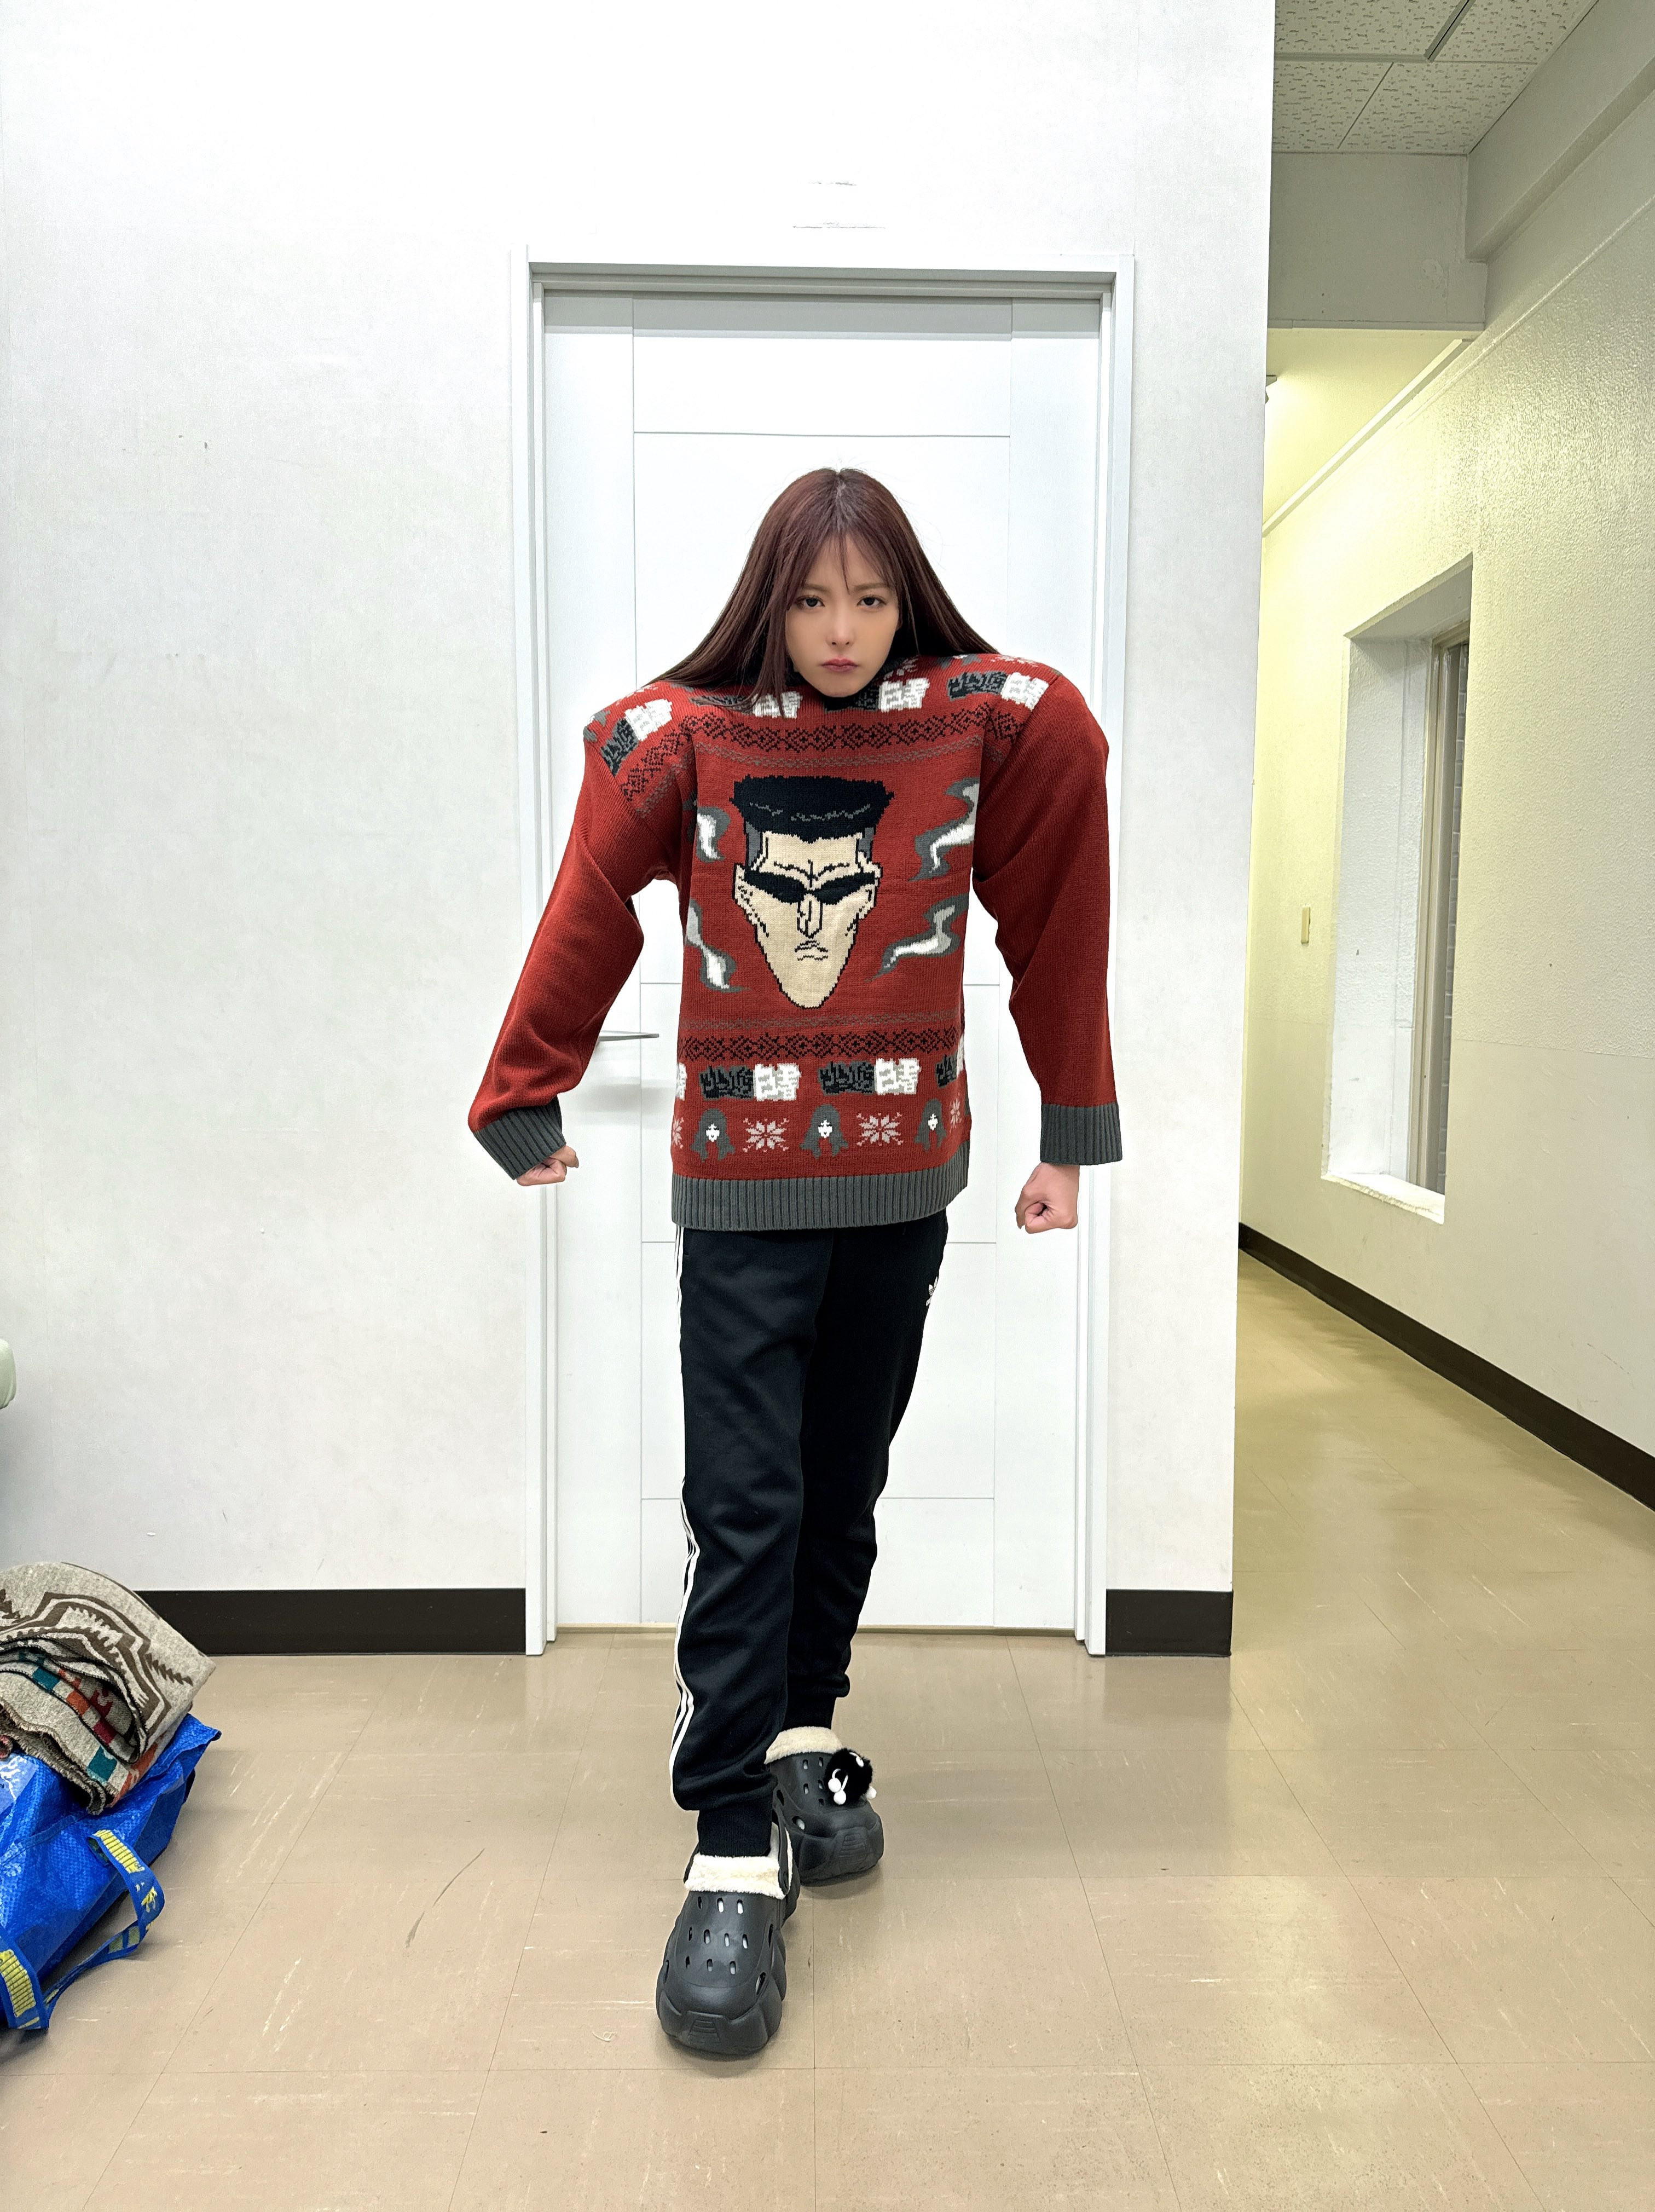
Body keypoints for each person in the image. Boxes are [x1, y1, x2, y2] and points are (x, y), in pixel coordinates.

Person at [469, 467, 1119, 2056]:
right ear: (771, 598)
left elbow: (1056, 853)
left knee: (843, 1478)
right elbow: (592, 890)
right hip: (744, 1197)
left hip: (904, 1182)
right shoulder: (695, 736)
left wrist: (1070, 1125)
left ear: (909, 603)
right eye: (814, 598)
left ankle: (800, 1732)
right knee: (746, 1500)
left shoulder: (966, 726)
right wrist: (524, 1085)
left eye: (873, 599)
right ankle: (725, 1840)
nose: (842, 632)